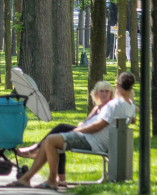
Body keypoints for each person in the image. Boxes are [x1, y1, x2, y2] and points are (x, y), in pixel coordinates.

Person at [8, 72, 138, 189]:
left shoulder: (114, 104)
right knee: (53, 140)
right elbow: (133, 120)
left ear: (117, 85)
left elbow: (98, 126)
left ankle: (50, 180)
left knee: (51, 141)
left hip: (91, 140)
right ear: (131, 86)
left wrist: (78, 130)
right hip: (97, 140)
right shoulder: (130, 105)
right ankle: (27, 179)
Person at [15, 80, 114, 186]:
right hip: (85, 133)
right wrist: (81, 124)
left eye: (106, 91)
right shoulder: (97, 108)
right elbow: (86, 122)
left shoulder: (111, 108)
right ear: (96, 94)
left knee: (59, 130)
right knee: (57, 138)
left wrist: (78, 129)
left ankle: (35, 149)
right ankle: (61, 179)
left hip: (90, 137)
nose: (104, 94)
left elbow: (97, 126)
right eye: (101, 91)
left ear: (111, 93)